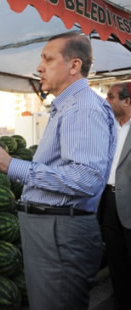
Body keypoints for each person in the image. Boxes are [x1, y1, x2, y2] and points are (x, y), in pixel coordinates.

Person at [0, 33, 116, 310]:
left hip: (59, 230)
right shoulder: (69, 107)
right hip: (54, 229)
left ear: (74, 65)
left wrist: (12, 164)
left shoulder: (82, 108)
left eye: (48, 59)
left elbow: (86, 178)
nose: (39, 67)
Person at [98, 82, 131, 310]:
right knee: (116, 261)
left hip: (129, 204)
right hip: (108, 202)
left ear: (127, 102)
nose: (106, 101)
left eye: (111, 97)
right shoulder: (108, 128)